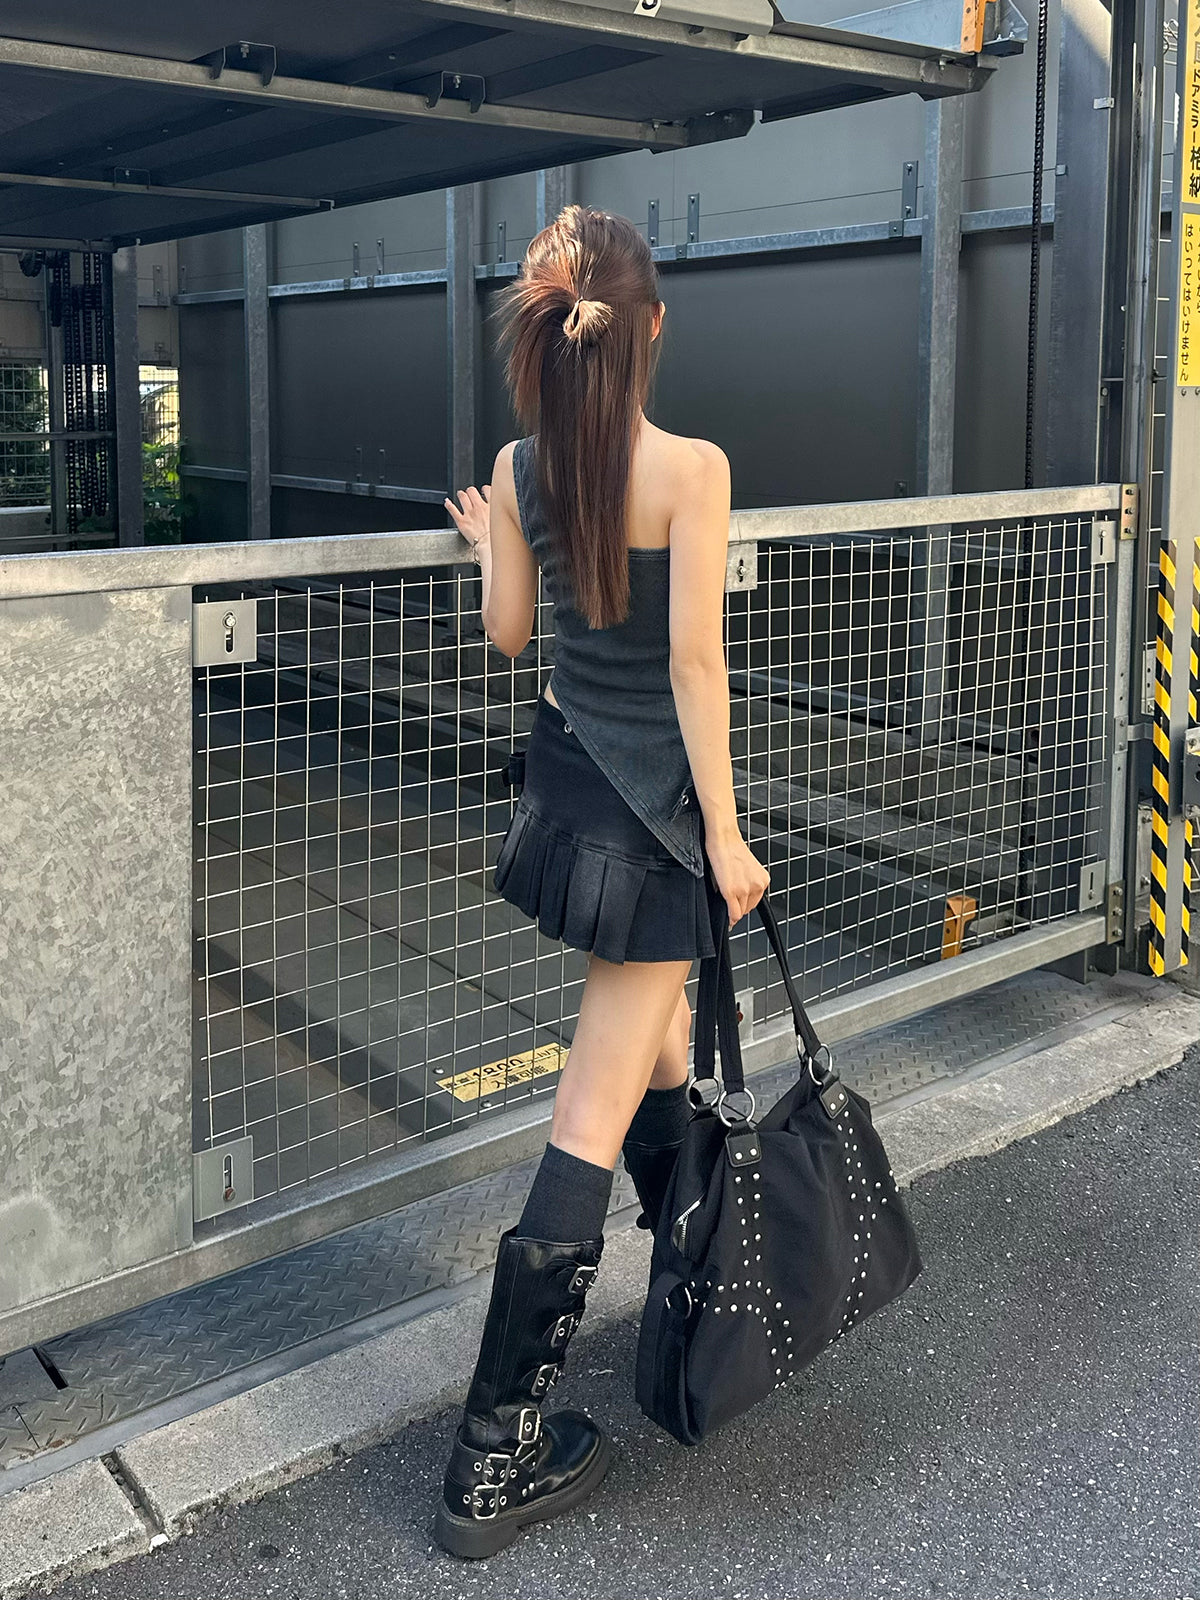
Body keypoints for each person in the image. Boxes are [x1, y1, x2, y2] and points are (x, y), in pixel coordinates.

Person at [434, 204, 770, 1560]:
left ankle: (705, 1282)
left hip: (571, 806)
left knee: (661, 1041)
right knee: (593, 1098)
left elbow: (513, 633)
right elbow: (694, 667)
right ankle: (491, 1452)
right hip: (653, 826)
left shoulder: (520, 468)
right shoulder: (692, 469)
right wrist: (729, 836)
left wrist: (492, 541)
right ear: (652, 329)